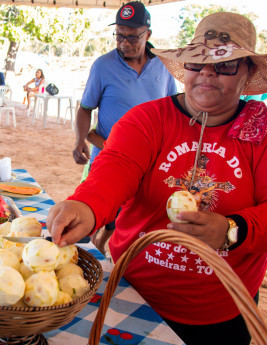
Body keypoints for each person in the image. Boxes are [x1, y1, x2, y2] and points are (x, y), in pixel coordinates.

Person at [47, 12, 267, 345]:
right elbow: (115, 167)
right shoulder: (148, 120)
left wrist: (230, 229)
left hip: (222, 308)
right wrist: (87, 204)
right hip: (134, 294)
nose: (207, 73)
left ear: (247, 72)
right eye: (197, 63)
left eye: (225, 65)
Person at [73, 1, 177, 253]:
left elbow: (173, 110)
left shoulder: (165, 65)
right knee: (97, 217)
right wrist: (80, 141)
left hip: (150, 164)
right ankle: (97, 256)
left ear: (148, 34)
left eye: (132, 37)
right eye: (119, 36)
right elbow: (85, 108)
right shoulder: (103, 66)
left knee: (133, 222)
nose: (124, 43)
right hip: (110, 161)